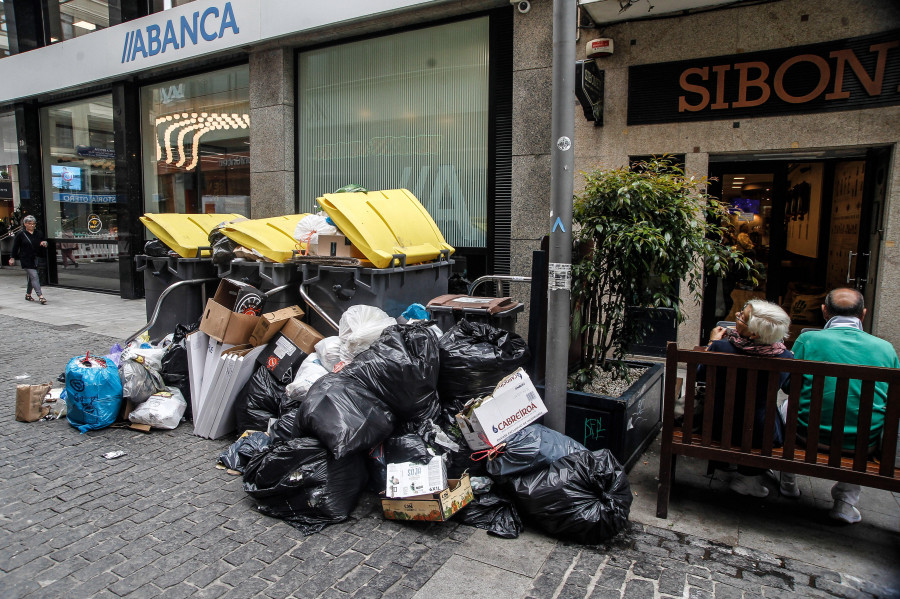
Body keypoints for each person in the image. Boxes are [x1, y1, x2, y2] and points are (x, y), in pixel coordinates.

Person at [778, 288, 899, 524]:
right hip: (864, 443)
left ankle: (788, 482)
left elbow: (790, 386)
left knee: (788, 405)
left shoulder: (808, 339)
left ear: (824, 311)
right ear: (863, 314)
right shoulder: (886, 348)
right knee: (868, 414)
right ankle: (845, 502)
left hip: (807, 433)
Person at [700, 299, 793, 498]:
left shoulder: (721, 348)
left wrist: (711, 343)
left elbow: (701, 374)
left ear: (754, 333)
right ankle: (749, 477)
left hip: (716, 427)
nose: (736, 316)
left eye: (742, 317)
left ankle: (735, 470)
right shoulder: (785, 357)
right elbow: (789, 387)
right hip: (762, 434)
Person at [8, 215, 48, 304]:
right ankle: (40, 296)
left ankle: (28, 294)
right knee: (34, 276)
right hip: (26, 258)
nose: (32, 225)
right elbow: (15, 247)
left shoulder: (38, 233)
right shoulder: (21, 234)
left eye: (33, 223)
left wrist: (44, 243)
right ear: (25, 224)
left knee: (31, 277)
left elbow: (44, 241)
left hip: (36, 257)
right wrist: (12, 257)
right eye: (30, 224)